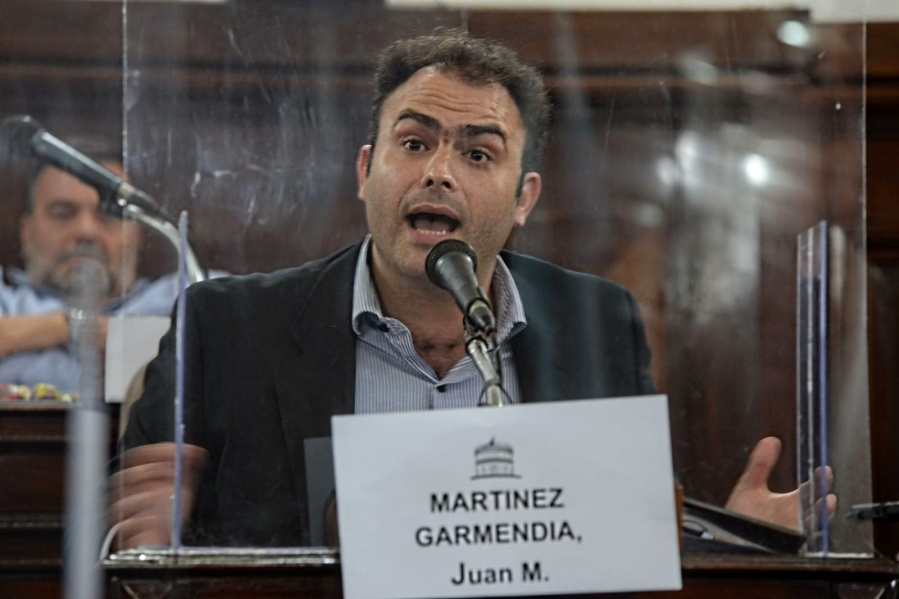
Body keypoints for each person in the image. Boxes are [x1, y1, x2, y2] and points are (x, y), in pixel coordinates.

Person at [111, 28, 835, 550]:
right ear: (366, 171)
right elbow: (117, 544)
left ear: (523, 199)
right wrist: (148, 541)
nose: (438, 172)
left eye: (478, 153)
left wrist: (734, 542)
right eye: (414, 142)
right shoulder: (229, 327)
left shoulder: (595, 321)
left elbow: (619, 538)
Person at [0, 139, 185, 394]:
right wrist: (72, 328)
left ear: (138, 234)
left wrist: (26, 335)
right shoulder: (6, 302)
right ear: (26, 232)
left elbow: (218, 353)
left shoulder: (182, 295)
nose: (86, 231)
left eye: (108, 215)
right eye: (63, 213)